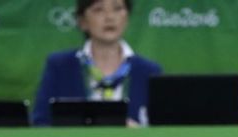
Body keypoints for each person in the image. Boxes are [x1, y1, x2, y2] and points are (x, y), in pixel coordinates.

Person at [32, 0, 162, 126]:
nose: (110, 17)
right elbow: (40, 123)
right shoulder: (60, 67)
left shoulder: (149, 71)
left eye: (117, 8)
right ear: (82, 21)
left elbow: (163, 131)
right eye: (99, 9)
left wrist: (140, 134)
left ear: (127, 17)